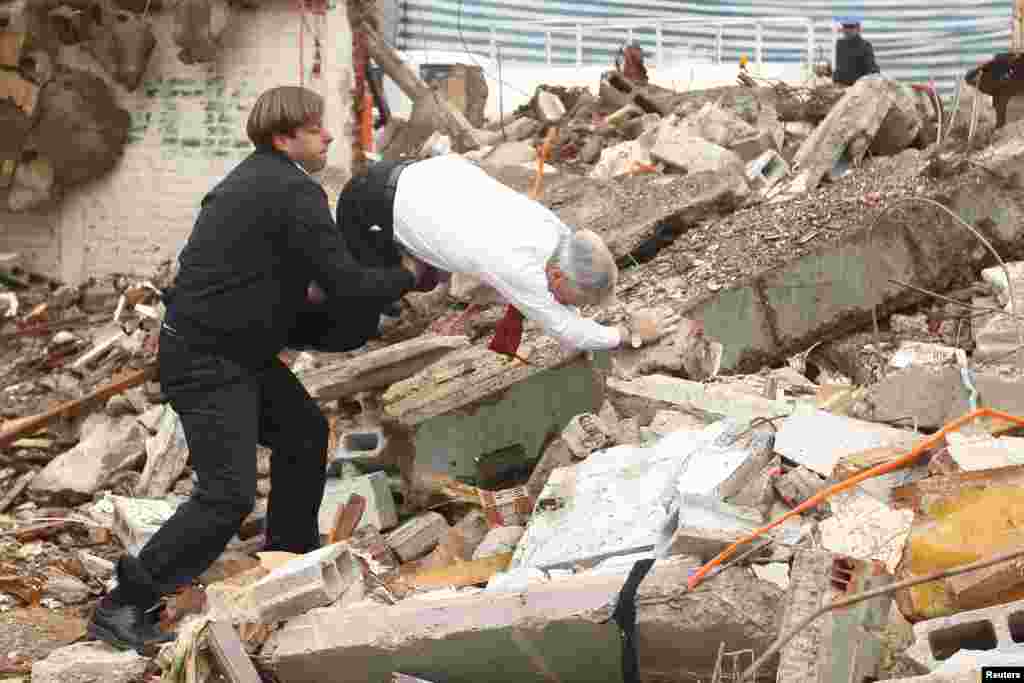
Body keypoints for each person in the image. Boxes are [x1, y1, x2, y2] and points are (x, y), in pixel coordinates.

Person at [87, 86, 425, 651]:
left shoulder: (262, 183)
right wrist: (407, 276)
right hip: (209, 359)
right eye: (315, 129)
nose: (329, 136)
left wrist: (360, 301)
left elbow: (294, 293)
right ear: (283, 138)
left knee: (303, 433)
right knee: (227, 494)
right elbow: (342, 281)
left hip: (233, 352)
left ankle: (287, 561)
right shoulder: (290, 190)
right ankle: (124, 603)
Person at [336, 155, 677, 357]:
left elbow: (566, 309)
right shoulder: (518, 266)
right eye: (576, 299)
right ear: (557, 276)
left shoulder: (558, 236)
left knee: (429, 278)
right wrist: (627, 335)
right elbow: (566, 330)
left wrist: (611, 320)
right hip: (368, 205)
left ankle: (400, 287)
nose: (574, 306)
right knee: (371, 301)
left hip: (421, 181)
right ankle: (356, 327)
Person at [832, 18, 879, 87]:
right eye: (845, 26)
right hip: (841, 85)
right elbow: (838, 67)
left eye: (851, 27)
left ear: (858, 28)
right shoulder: (840, 44)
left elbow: (872, 69)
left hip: (859, 87)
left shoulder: (865, 45)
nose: (847, 30)